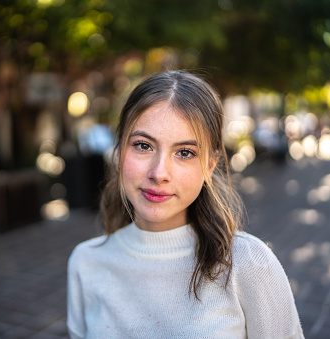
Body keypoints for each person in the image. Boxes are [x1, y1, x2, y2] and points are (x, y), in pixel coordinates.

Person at [67, 71, 304, 338]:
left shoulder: (249, 264)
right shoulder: (86, 263)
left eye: (184, 153)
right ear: (120, 150)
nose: (159, 173)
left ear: (210, 165)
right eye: (143, 146)